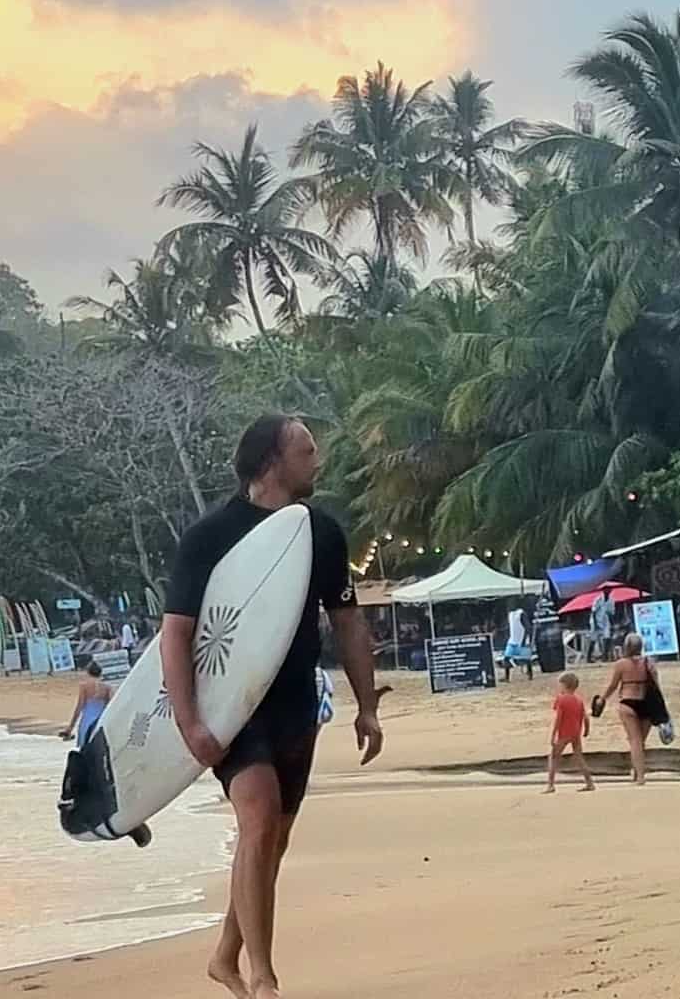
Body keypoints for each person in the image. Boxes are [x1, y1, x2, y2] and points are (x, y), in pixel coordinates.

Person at [160, 414, 382, 999]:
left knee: (272, 840)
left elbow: (348, 621)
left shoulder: (321, 533)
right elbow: (176, 633)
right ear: (271, 462)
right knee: (258, 821)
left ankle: (225, 957)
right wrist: (190, 722)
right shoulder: (210, 537)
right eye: (306, 451)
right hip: (231, 708)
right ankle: (263, 979)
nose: (318, 460)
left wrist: (367, 706)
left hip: (295, 706)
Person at [597, 632, 667, 785]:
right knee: (640, 741)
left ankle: (639, 776)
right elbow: (656, 684)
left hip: (628, 701)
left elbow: (613, 685)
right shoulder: (649, 662)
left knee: (634, 741)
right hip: (646, 702)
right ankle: (637, 772)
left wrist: (602, 698)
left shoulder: (621, 664)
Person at [544, 672, 596, 794]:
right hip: (576, 732)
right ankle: (589, 782)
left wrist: (553, 735)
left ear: (564, 685)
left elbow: (559, 718)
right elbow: (585, 717)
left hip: (564, 732)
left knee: (554, 757)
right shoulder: (579, 700)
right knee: (579, 757)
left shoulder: (561, 699)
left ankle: (550, 785)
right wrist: (586, 730)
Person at [59, 660, 112, 749]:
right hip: (102, 721)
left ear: (88, 672)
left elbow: (79, 708)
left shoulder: (84, 686)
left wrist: (70, 728)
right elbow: (110, 706)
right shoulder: (107, 687)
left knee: (84, 748)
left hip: (87, 722)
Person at [501, 606, 533, 682]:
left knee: (527, 658)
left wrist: (524, 640)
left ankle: (530, 674)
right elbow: (511, 627)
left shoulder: (521, 613)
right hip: (513, 640)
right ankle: (507, 677)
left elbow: (528, 628)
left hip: (522, 640)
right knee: (506, 658)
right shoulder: (510, 614)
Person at [588, 593, 613, 664]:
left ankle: (605, 657)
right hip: (595, 621)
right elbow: (593, 612)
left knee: (607, 637)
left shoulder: (611, 601)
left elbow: (611, 613)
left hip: (605, 621)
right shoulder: (598, 600)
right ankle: (588, 657)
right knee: (593, 639)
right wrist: (595, 624)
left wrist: (612, 623)